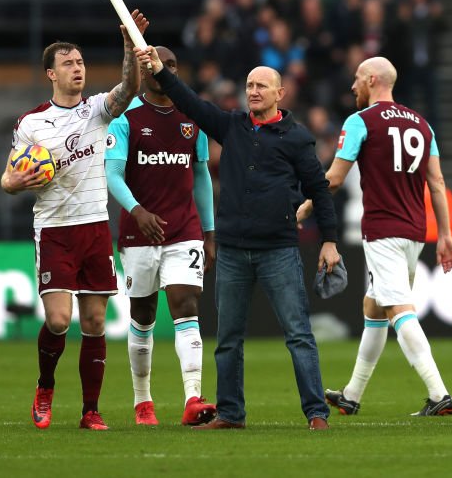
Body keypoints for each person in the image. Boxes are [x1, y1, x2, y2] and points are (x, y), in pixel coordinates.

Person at [137, 47, 339, 431]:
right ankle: (231, 414)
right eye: (249, 85)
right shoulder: (231, 126)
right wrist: (160, 70)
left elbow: (319, 187)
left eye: (262, 85)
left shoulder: (296, 138)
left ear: (281, 94)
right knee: (228, 338)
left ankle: (316, 413)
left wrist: (329, 240)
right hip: (232, 249)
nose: (254, 91)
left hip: (278, 249)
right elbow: (188, 101)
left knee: (298, 335)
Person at [1, 10, 149, 431]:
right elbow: (8, 178)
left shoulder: (97, 111)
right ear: (51, 73)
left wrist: (128, 46)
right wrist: (14, 181)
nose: (77, 69)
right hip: (54, 229)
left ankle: (90, 411)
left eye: (81, 62)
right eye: (68, 64)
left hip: (94, 225)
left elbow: (128, 89)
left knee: (96, 322)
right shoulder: (31, 123)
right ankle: (45, 386)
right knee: (58, 320)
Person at [297, 56, 452, 417]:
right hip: (416, 231)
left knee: (399, 308)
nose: (352, 86)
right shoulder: (422, 123)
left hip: (383, 230)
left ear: (372, 80)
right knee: (374, 306)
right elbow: (437, 182)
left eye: (357, 79)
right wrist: (445, 234)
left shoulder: (360, 121)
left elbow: (336, 178)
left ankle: (438, 393)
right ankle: (352, 394)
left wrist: (307, 206)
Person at [105, 46, 218, 427]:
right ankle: (143, 401)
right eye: (159, 64)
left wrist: (209, 230)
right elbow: (113, 175)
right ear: (144, 69)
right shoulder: (126, 118)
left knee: (185, 305)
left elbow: (200, 175)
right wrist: (137, 211)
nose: (165, 69)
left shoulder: (192, 117)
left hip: (183, 231)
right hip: (139, 234)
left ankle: (193, 398)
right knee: (143, 314)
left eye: (171, 64)